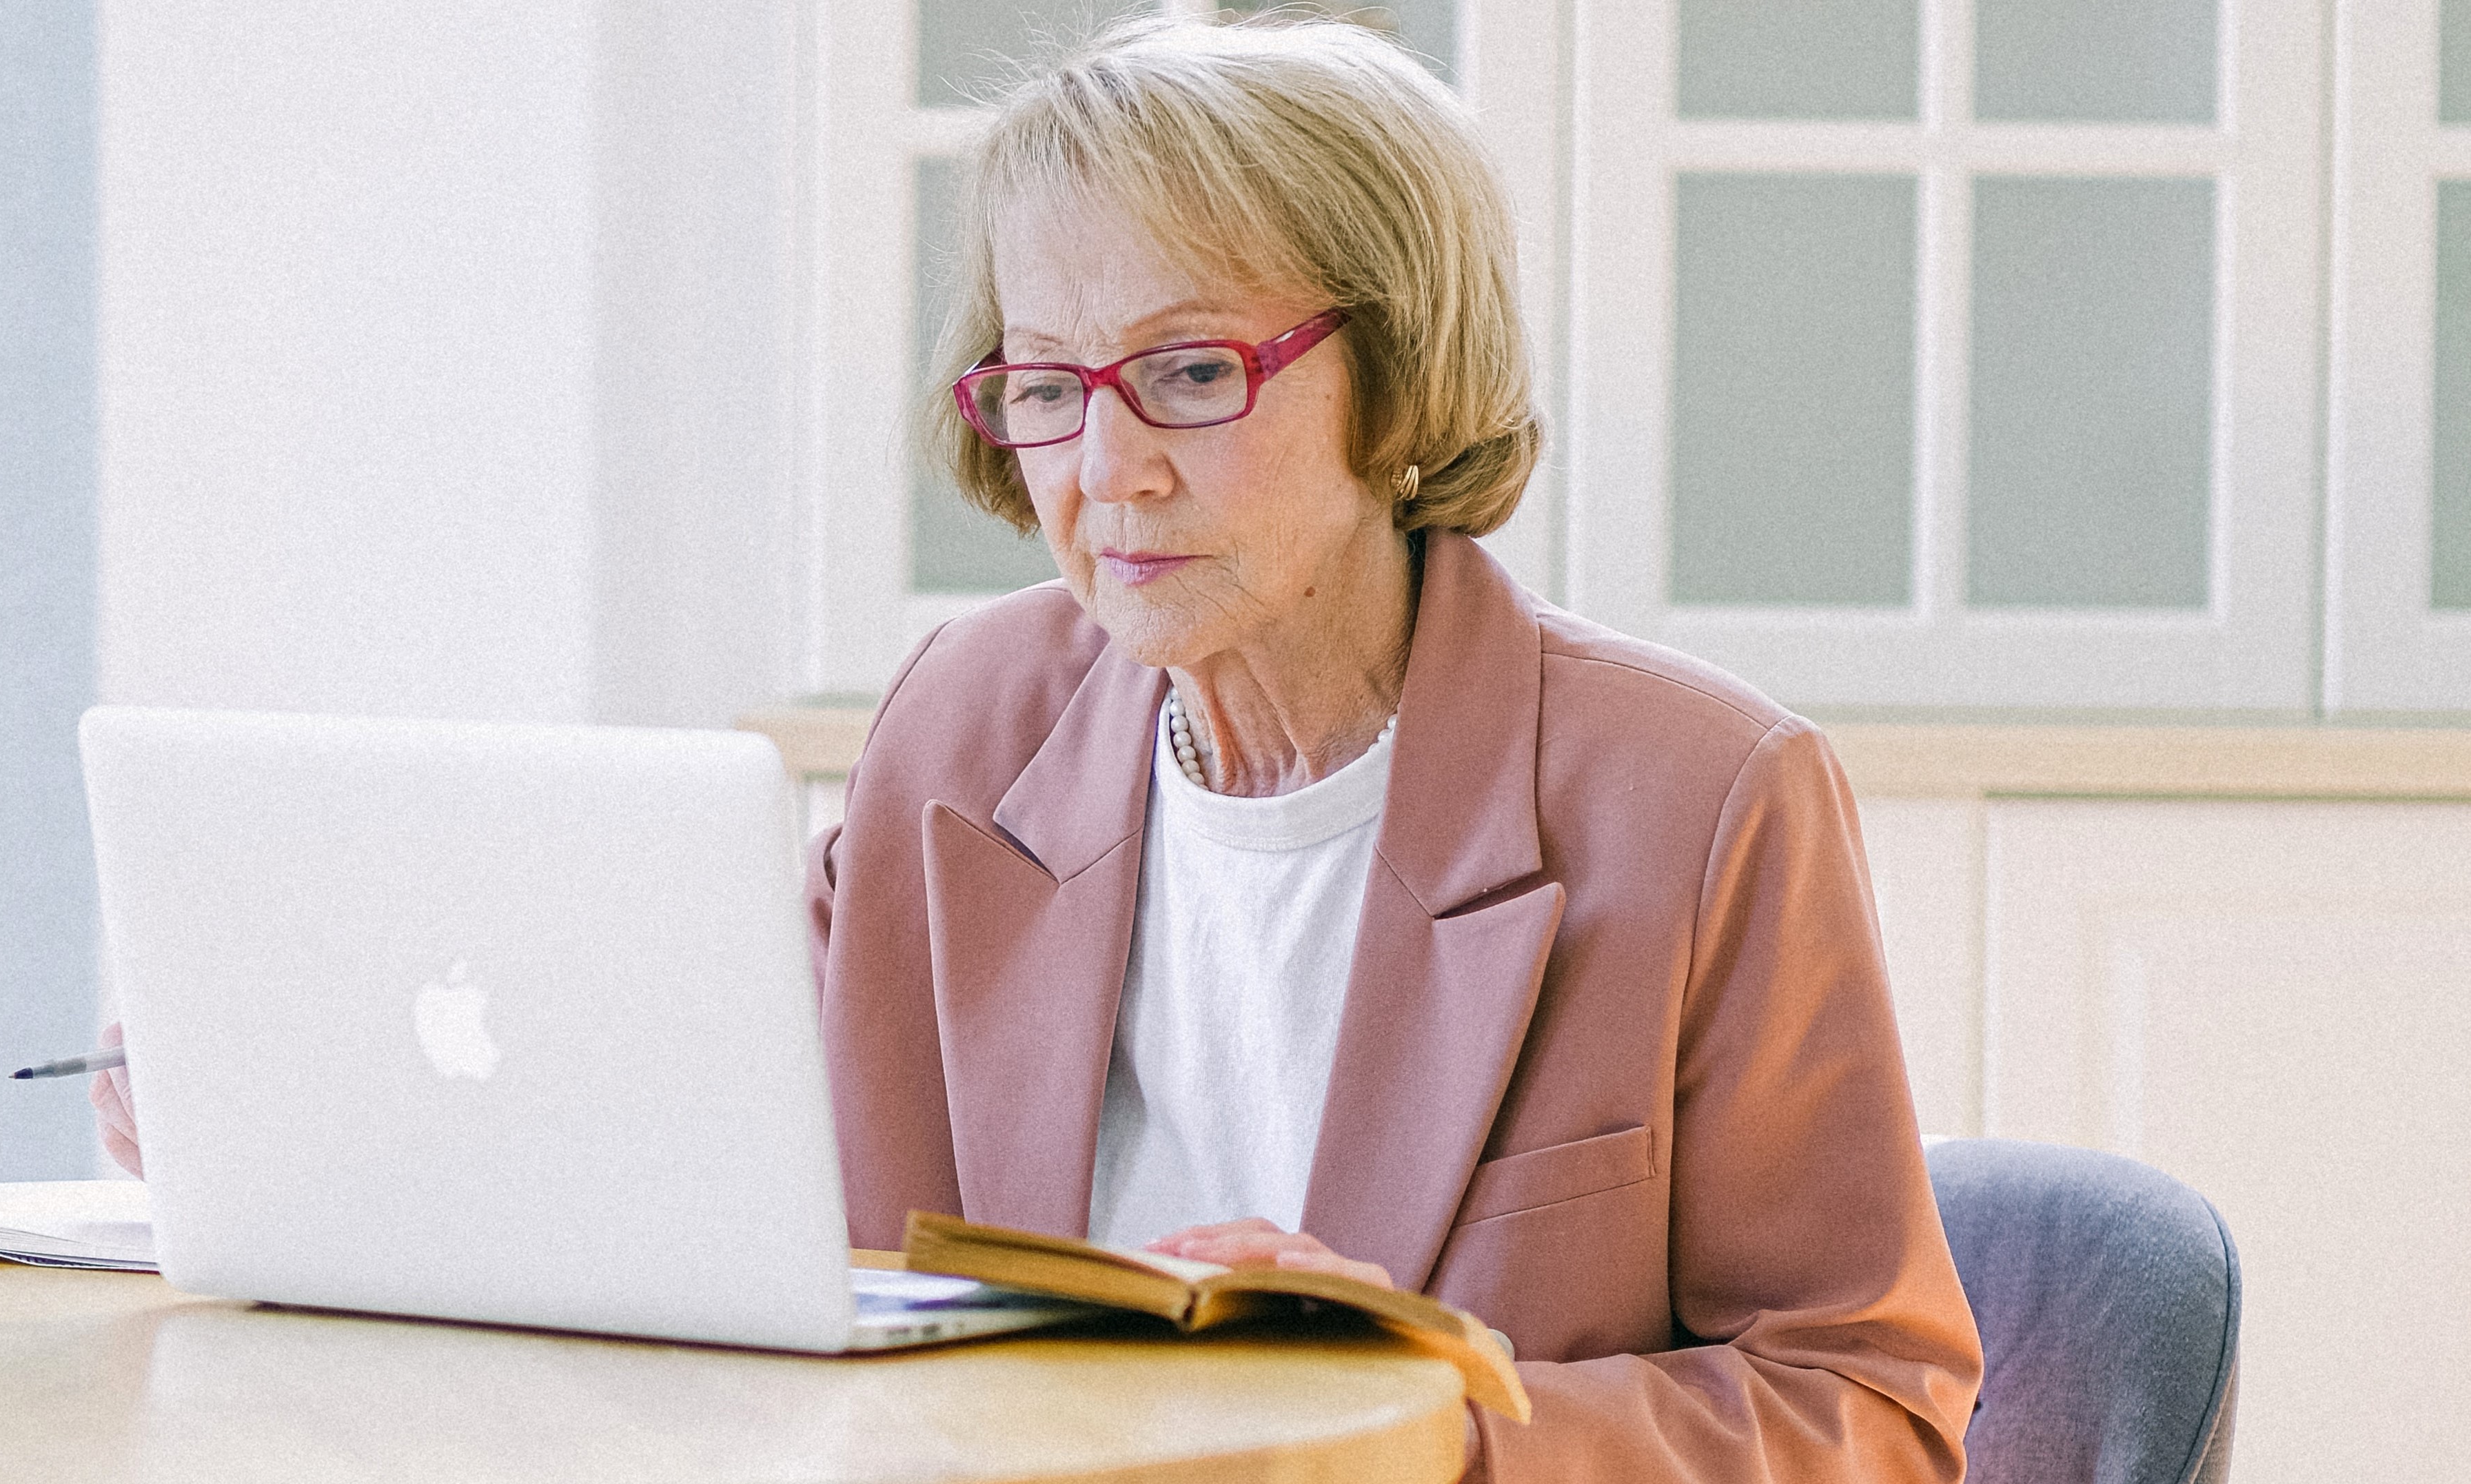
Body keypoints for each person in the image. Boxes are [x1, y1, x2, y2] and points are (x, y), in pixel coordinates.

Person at [99, 17, 1981, 1478]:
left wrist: (1433, 1415)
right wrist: (312, 1107)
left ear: (1399, 377)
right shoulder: (963, 729)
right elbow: (739, 1175)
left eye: (1189, 371)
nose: (1110, 468)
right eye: (1049, 385)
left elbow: (1870, 1416)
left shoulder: (1701, 798)